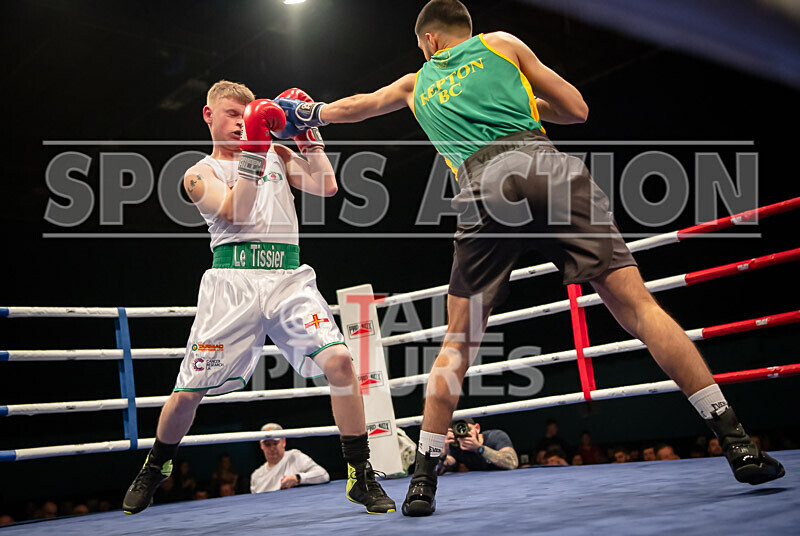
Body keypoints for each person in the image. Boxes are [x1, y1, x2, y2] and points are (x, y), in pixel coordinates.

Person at [277, 0, 785, 515]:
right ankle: (736, 440)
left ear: (429, 41)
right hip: (547, 167)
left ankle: (423, 481)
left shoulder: (414, 83)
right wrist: (523, 103)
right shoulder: (501, 43)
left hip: (481, 185)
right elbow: (576, 109)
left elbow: (356, 106)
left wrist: (305, 114)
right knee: (639, 308)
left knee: (459, 340)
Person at [122, 81, 395, 516]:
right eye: (231, 113)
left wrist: (307, 135)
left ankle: (360, 475)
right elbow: (236, 212)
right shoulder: (198, 173)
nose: (239, 122)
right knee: (189, 390)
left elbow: (326, 185)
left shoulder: (277, 154)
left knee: (341, 362)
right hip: (232, 285)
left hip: (288, 278)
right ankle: (156, 465)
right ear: (209, 115)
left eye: (244, 114)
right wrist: (253, 149)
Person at [250, 423, 330, 493]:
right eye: (268, 444)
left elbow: (323, 475)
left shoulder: (294, 457)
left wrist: (297, 478)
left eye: (275, 443)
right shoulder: (256, 476)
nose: (272, 448)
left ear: (283, 442)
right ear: (261, 446)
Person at [439, 418, 518, 472]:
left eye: (467, 429)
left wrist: (479, 448)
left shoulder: (495, 436)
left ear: (477, 428)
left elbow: (512, 463)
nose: (463, 434)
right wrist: (442, 454)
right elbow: (440, 470)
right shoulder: (456, 445)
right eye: (458, 431)